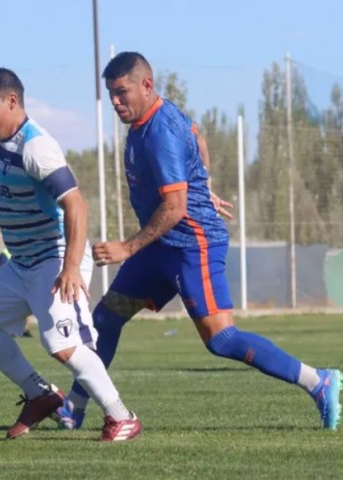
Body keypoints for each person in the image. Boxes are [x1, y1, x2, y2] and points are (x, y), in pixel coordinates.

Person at [54, 51, 341, 431]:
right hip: (160, 246)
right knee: (106, 319)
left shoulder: (160, 133)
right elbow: (199, 136)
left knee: (221, 340)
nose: (115, 102)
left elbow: (174, 207)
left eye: (121, 93)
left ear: (147, 85)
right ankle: (75, 407)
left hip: (193, 245)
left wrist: (128, 246)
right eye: (110, 94)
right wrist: (202, 183)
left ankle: (318, 381)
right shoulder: (152, 119)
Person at [0, 67, 142, 442]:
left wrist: (71, 267)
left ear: (11, 101)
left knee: (62, 344)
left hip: (54, 260)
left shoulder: (36, 146)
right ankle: (40, 394)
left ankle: (122, 417)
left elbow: (76, 205)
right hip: (22, 263)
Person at [0, 247, 34, 338]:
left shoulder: (24, 250)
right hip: (10, 285)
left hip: (25, 282)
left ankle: (25, 330)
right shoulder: (5, 253)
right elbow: (5, 269)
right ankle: (10, 329)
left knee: (27, 306)